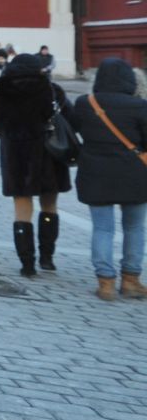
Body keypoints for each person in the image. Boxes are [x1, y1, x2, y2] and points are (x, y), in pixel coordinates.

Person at [67, 58, 147, 301]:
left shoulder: (85, 103)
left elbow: (75, 130)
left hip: (95, 173)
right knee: (134, 227)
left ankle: (105, 283)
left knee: (102, 228)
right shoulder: (140, 106)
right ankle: (131, 280)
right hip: (135, 175)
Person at [0, 53, 72, 277]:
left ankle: (27, 264)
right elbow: (71, 120)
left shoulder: (1, 93)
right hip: (49, 156)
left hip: (17, 157)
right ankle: (47, 258)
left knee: (22, 210)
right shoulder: (53, 90)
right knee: (49, 206)